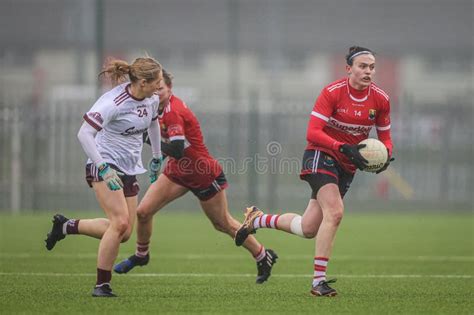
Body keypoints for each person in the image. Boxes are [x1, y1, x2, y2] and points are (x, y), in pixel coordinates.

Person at [234, 46, 394, 297]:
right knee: (336, 212)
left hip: (347, 165)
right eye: (362, 66)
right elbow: (313, 132)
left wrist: (384, 157)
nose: (368, 71)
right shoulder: (332, 92)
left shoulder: (381, 99)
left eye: (372, 67)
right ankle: (318, 282)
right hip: (321, 154)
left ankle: (258, 219)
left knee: (308, 228)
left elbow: (386, 139)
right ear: (349, 68)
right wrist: (341, 146)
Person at [113, 69, 278, 283]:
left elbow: (179, 148)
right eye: (155, 87)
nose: (156, 91)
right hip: (177, 169)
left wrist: (144, 137)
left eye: (160, 88)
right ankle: (141, 255)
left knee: (223, 223)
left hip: (202, 173)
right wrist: (158, 158)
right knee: (143, 212)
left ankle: (263, 255)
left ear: (169, 88)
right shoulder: (154, 107)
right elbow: (171, 148)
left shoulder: (173, 110)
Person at [44, 57, 164, 297]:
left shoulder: (151, 99)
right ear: (143, 82)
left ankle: (66, 226)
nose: (161, 86)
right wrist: (103, 168)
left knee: (124, 232)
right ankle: (102, 285)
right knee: (119, 223)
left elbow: (153, 124)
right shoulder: (113, 103)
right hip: (104, 163)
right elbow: (84, 134)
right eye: (158, 81)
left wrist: (157, 156)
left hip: (129, 166)